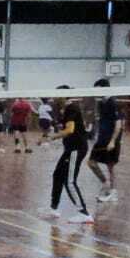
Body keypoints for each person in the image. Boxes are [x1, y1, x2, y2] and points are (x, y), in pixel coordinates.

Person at [42, 91, 93, 224]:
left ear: (63, 96)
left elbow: (69, 130)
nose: (54, 98)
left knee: (69, 181)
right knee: (58, 175)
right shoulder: (65, 110)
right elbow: (63, 127)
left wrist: (53, 137)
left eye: (56, 95)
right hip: (70, 148)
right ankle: (54, 209)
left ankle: (84, 214)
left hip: (76, 149)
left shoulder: (72, 108)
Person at [89, 79, 124, 204]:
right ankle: (105, 183)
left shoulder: (113, 103)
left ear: (105, 88)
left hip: (110, 140)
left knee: (110, 166)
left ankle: (112, 193)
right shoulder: (101, 103)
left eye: (98, 90)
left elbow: (118, 125)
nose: (96, 93)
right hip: (101, 139)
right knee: (91, 162)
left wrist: (113, 141)